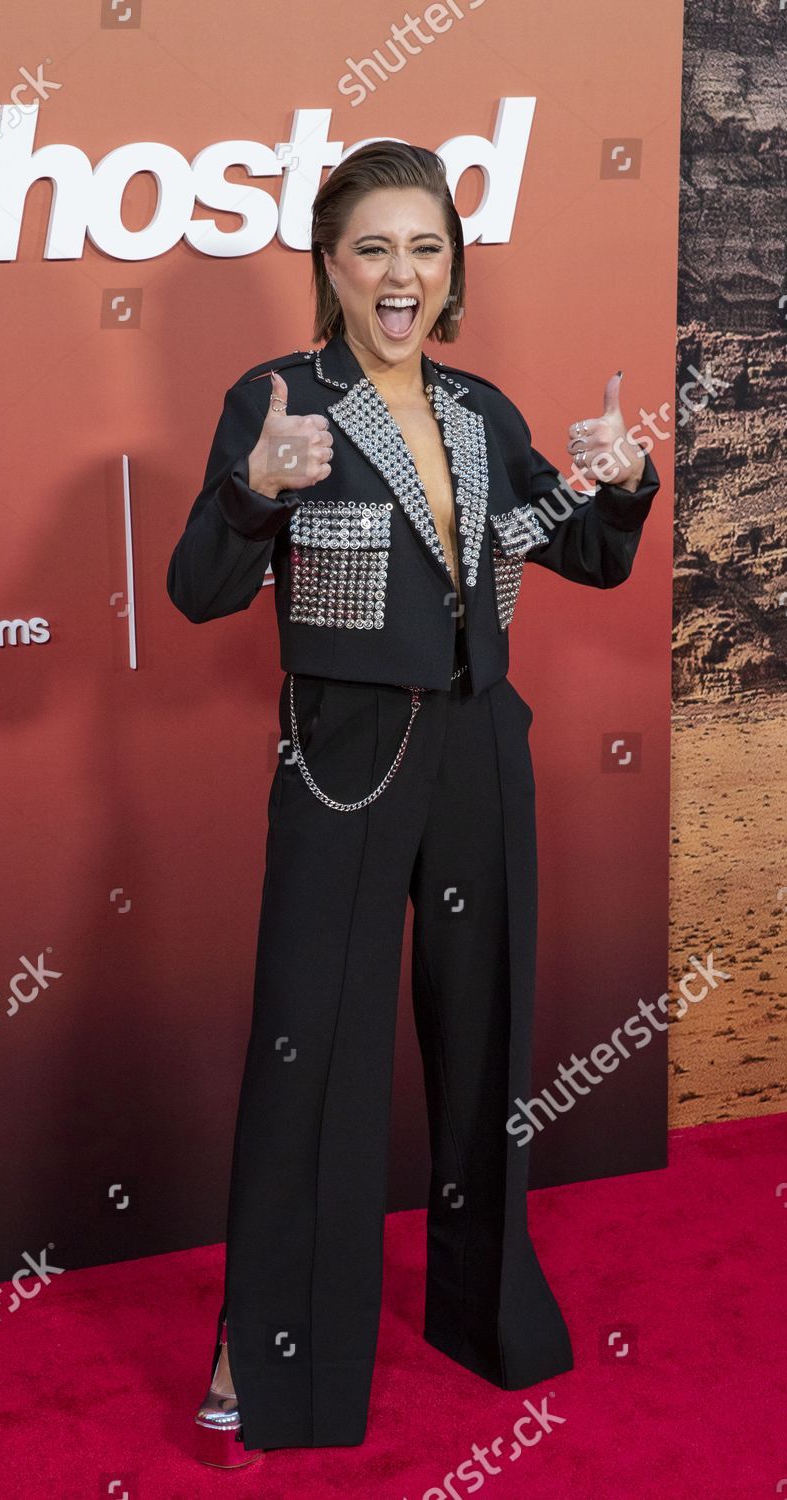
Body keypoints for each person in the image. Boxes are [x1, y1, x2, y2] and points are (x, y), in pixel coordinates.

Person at [167, 140, 660, 1468]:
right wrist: (252, 492)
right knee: (308, 1062)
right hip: (344, 757)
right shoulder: (279, 402)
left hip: (478, 753)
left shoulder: (483, 412)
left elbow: (592, 558)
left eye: (427, 247)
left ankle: (481, 1312)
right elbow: (200, 590)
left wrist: (616, 479)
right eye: (375, 247)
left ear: (453, 267)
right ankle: (265, 1346)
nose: (403, 274)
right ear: (330, 264)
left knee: (487, 1037)